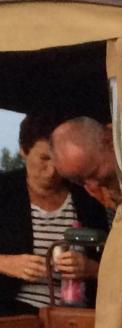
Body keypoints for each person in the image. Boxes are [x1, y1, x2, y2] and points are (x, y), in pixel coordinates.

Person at [0, 112, 108, 316]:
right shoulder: (4, 192)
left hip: (76, 317)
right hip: (13, 316)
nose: (51, 170)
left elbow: (116, 267)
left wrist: (90, 268)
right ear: (23, 151)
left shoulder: (88, 202)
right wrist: (6, 263)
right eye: (43, 158)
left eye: (57, 160)